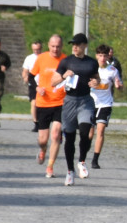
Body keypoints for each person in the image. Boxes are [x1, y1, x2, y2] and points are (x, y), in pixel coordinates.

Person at [51, 33, 99, 186]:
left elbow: (96, 78)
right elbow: (53, 81)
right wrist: (64, 76)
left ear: (85, 45)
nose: (75, 47)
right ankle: (70, 171)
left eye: (78, 45)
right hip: (70, 102)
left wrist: (95, 82)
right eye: (73, 45)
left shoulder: (92, 63)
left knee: (85, 132)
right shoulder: (66, 62)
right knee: (69, 138)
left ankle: (82, 161)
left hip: (85, 101)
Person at [29, 35, 66, 178]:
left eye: (58, 46)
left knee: (56, 135)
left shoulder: (66, 60)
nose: (55, 49)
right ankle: (43, 149)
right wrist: (37, 88)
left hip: (60, 102)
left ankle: (50, 167)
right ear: (49, 46)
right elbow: (31, 77)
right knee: (43, 139)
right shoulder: (42, 58)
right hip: (43, 103)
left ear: (61, 46)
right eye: (53, 46)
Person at [89, 44, 123, 169]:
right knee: (89, 133)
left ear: (108, 56)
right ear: (96, 56)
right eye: (100, 55)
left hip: (105, 104)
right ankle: (84, 154)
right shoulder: (91, 68)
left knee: (101, 130)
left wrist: (119, 86)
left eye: (104, 55)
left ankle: (95, 160)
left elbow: (119, 85)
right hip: (91, 103)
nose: (102, 58)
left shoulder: (113, 70)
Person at [21, 40, 43, 132]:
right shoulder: (29, 58)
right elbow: (25, 71)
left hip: (44, 84)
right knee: (34, 103)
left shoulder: (45, 57)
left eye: (38, 49)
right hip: (33, 84)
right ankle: (36, 122)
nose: (36, 51)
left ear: (41, 48)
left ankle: (43, 121)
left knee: (42, 105)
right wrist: (25, 77)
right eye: (34, 49)